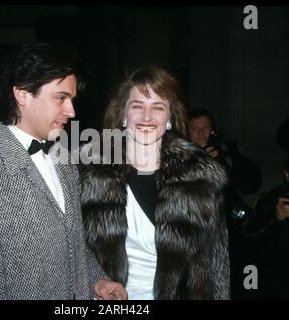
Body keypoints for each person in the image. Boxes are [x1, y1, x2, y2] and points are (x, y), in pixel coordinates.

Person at [0, 43, 126, 300]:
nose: (71, 111)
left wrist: (96, 281)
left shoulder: (62, 159)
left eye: (72, 100)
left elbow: (74, 246)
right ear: (22, 94)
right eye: (61, 98)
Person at [78, 66, 230, 300]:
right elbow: (73, 249)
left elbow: (216, 262)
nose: (147, 117)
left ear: (169, 117)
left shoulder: (199, 176)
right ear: (123, 114)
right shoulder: (88, 169)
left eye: (158, 107)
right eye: (137, 106)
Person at [187, 108, 261, 299]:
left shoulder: (226, 152)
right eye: (195, 128)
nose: (201, 133)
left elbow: (251, 182)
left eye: (206, 128)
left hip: (228, 233)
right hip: (193, 233)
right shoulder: (177, 154)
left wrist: (221, 161)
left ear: (213, 130)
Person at [243, 158, 289, 299]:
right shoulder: (272, 199)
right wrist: (277, 218)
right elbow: (248, 235)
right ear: (287, 174)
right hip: (276, 284)